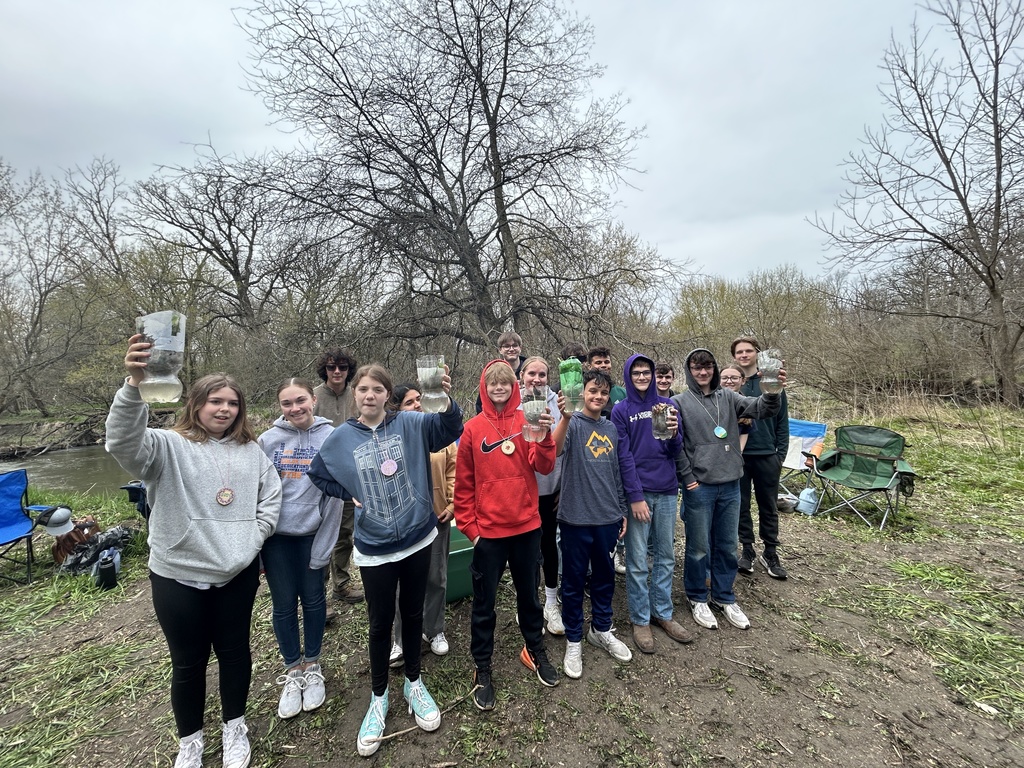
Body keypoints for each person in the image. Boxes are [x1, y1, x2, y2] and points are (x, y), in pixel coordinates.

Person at [106, 335, 282, 768]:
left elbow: (270, 499)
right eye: (215, 401)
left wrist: (253, 538)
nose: (224, 410)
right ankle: (191, 741)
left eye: (232, 403)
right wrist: (134, 384)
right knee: (188, 663)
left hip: (236, 572)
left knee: (235, 653)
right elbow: (123, 443)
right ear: (196, 404)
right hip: (177, 573)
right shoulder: (166, 445)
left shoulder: (252, 451)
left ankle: (234, 726)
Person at [307, 364, 462, 757]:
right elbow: (318, 473)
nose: (369, 395)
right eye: (363, 389)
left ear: (387, 396)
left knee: (412, 613)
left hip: (418, 537)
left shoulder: (411, 424)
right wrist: (347, 493)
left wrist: (445, 399)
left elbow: (450, 428)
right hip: (374, 547)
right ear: (355, 394)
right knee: (379, 623)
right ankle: (379, 697)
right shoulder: (342, 437)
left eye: (377, 389)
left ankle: (413, 682)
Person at [454, 359, 559, 711]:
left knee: (529, 597)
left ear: (515, 387)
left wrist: (545, 437)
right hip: (489, 533)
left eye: (505, 383)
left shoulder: (527, 418)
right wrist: (472, 530)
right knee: (484, 604)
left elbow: (543, 465)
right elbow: (463, 485)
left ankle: (534, 649)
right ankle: (482, 666)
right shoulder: (472, 429)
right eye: (493, 384)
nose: (499, 388)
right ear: (484, 388)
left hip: (526, 526)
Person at [672, 348, 785, 632]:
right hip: (700, 486)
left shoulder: (730, 397)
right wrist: (687, 477)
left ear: (714, 369)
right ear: (689, 371)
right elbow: (674, 445)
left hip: (731, 484)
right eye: (696, 367)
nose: (702, 372)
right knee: (699, 548)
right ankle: (697, 596)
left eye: (707, 366)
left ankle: (724, 596)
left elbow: (762, 409)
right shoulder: (678, 402)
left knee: (726, 545)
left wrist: (772, 392)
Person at [258, 379, 343, 720]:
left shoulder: (331, 437)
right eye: (286, 403)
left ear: (313, 400)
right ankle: (293, 670)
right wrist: (258, 543)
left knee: (313, 600)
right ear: (280, 406)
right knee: (283, 605)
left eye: (300, 400)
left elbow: (336, 496)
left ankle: (313, 665)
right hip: (276, 537)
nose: (294, 408)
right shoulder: (267, 441)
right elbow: (257, 494)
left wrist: (324, 546)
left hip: (312, 535)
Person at [550, 369, 632, 679]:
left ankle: (601, 629)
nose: (598, 396)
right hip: (575, 517)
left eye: (603, 392)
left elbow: (616, 472)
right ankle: (574, 639)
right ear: (582, 393)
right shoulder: (571, 423)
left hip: (607, 518)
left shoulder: (610, 428)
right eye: (592, 391)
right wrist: (564, 418)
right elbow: (555, 450)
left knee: (604, 578)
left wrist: (621, 509)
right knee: (572, 583)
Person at [611, 354, 691, 653]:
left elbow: (674, 449)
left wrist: (674, 433)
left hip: (667, 488)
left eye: (647, 372)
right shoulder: (621, 410)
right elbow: (623, 456)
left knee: (666, 555)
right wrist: (635, 497)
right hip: (640, 493)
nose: (642, 377)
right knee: (637, 559)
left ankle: (663, 612)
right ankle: (640, 618)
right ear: (628, 376)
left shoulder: (667, 406)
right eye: (637, 373)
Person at [387, 383, 457, 668]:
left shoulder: (438, 432)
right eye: (409, 402)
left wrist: (451, 504)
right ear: (396, 409)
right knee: (402, 584)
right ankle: (401, 640)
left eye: (419, 399)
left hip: (437, 517)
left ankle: (434, 629)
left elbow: (454, 469)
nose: (416, 404)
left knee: (436, 577)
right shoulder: (391, 437)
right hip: (404, 522)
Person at [731, 335, 790, 580]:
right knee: (741, 505)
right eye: (739, 352)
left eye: (748, 351)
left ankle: (771, 552)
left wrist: (780, 455)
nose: (744, 355)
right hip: (740, 456)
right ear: (734, 357)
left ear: (757, 353)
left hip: (767, 455)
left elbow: (782, 420)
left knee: (768, 506)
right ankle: (747, 549)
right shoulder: (733, 382)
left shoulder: (772, 379)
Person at [313, 347, 364, 606]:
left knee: (344, 532)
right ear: (324, 370)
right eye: (331, 367)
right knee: (319, 533)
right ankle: (317, 592)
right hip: (320, 476)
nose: (336, 372)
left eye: (342, 367)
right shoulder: (313, 396)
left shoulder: (357, 395)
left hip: (350, 474)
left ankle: (341, 583)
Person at [519, 356, 565, 636]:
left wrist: (564, 486)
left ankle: (550, 602)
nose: (537, 379)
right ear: (522, 375)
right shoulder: (512, 404)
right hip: (523, 491)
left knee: (549, 546)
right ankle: (527, 602)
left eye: (542, 375)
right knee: (526, 551)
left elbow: (566, 447)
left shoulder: (558, 404)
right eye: (531, 374)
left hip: (551, 488)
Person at [476, 331, 527, 413]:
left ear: (520, 348)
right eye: (506, 346)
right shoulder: (493, 371)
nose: (511, 349)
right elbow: (481, 403)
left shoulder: (530, 371)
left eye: (515, 345)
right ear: (500, 350)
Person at [718, 362, 753, 451]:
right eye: (724, 378)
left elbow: (745, 432)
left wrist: (738, 453)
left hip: (735, 454)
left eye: (734, 378)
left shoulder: (746, 405)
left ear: (743, 380)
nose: (729, 381)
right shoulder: (711, 402)